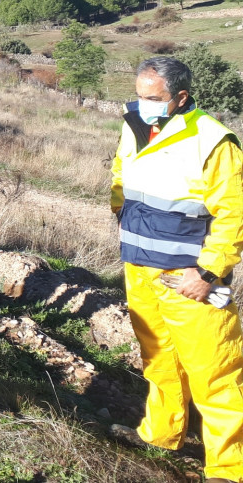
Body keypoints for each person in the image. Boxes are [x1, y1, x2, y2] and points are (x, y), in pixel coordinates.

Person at [109, 56, 243, 483]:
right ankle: (160, 435)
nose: (143, 103)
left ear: (180, 97)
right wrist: (122, 219)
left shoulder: (214, 140)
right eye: (139, 95)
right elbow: (121, 177)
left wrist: (207, 274)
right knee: (158, 360)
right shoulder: (133, 125)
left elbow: (234, 215)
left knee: (215, 370)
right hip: (140, 268)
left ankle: (228, 467)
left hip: (189, 277)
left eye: (153, 98)